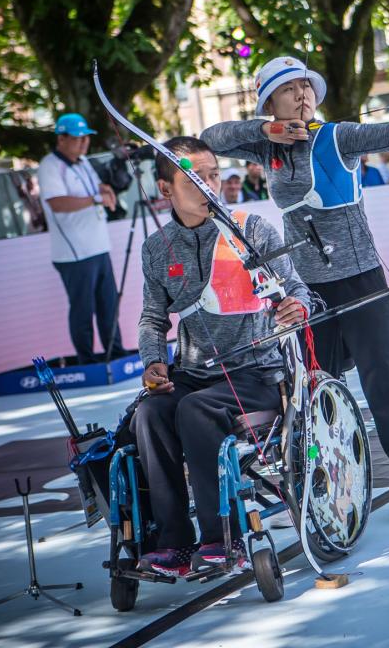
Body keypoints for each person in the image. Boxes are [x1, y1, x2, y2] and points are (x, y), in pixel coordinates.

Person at [200, 55, 389, 521]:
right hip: (308, 288)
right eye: (290, 89)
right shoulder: (267, 147)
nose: (303, 95)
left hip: (359, 280)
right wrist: (267, 131)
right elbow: (211, 140)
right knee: (312, 389)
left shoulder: (337, 137)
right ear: (270, 101)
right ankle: (321, 485)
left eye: (306, 87)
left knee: (384, 379)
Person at [134, 136, 311, 576]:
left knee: (195, 411)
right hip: (195, 373)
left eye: (213, 174)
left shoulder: (251, 229)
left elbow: (297, 290)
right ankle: (172, 542)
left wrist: (296, 308)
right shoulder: (156, 250)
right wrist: (154, 360)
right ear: (165, 189)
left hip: (259, 372)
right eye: (195, 178)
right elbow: (153, 318)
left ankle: (220, 538)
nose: (210, 184)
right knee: (151, 414)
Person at [38, 113, 126, 364]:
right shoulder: (50, 165)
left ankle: (116, 354)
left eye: (86, 138)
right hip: (74, 252)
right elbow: (56, 203)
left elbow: (96, 187)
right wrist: (96, 199)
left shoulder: (83, 161)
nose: (83, 143)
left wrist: (105, 190)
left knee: (108, 307)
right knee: (83, 310)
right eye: (77, 138)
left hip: (99, 247)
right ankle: (86, 361)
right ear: (61, 138)